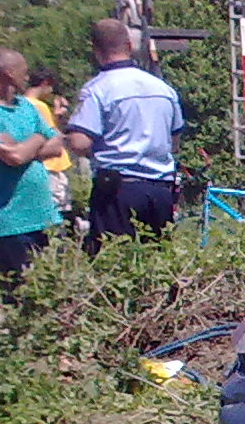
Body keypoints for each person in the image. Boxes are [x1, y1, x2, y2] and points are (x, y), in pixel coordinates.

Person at [62, 18, 185, 252]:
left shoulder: (97, 89)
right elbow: (175, 142)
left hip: (118, 190)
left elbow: (79, 142)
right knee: (157, 260)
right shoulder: (162, 88)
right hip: (160, 190)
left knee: (114, 260)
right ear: (129, 45)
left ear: (96, 50)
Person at [0, 49, 65, 288]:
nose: (27, 77)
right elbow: (14, 156)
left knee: (58, 290)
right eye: (24, 71)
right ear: (9, 73)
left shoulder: (27, 107)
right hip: (10, 222)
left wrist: (28, 144)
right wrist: (40, 137)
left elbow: (57, 145)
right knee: (19, 293)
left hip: (46, 217)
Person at [23, 68, 74, 223]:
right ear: (45, 83)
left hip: (40, 165)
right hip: (52, 165)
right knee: (58, 210)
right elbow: (53, 136)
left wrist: (56, 115)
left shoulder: (22, 104)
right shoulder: (39, 106)